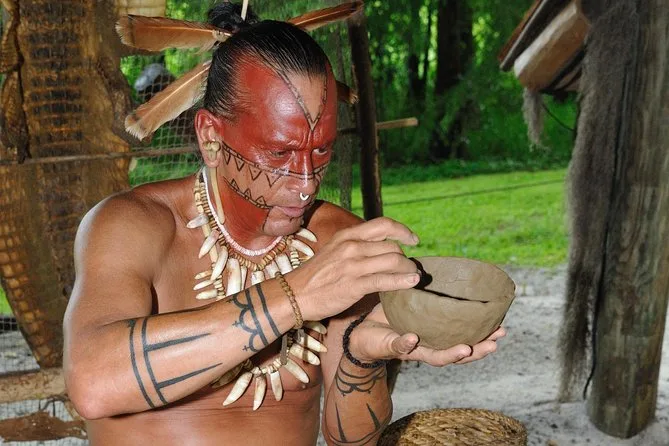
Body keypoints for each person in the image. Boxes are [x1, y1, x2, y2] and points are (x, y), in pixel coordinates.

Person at [63, 4, 505, 445]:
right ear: (211, 137)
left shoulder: (339, 244)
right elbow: (92, 383)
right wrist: (297, 295)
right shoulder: (131, 226)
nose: (306, 182)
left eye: (321, 150)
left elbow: (352, 441)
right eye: (279, 153)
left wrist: (360, 362)